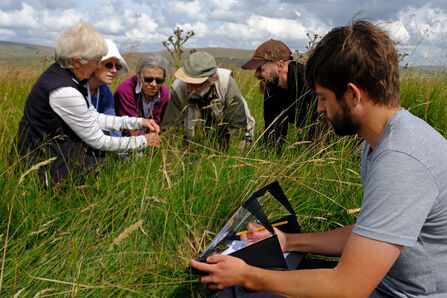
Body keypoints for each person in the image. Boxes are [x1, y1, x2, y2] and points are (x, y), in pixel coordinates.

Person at [190, 20, 447, 297]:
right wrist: (288, 241)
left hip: (399, 293)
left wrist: (249, 276)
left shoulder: (401, 160)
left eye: (323, 98)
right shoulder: (382, 141)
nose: (320, 109)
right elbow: (370, 233)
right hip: (382, 282)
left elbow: (347, 288)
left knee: (241, 289)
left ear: (352, 94)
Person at [15, 21, 160, 185]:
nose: (98, 66)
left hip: (50, 151)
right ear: (78, 61)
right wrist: (144, 141)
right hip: (42, 164)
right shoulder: (66, 92)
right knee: (106, 167)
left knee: (106, 163)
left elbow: (94, 117)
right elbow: (98, 140)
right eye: (97, 61)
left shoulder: (63, 76)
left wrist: (138, 122)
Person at [161, 51, 255, 149]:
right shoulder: (178, 89)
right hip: (192, 145)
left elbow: (237, 126)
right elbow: (170, 130)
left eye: (195, 84)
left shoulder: (226, 84)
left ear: (213, 80)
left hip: (225, 141)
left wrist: (231, 159)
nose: (188, 87)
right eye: (187, 81)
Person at [242, 40, 320, 150]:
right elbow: (272, 136)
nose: (256, 74)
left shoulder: (310, 84)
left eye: (260, 69)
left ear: (280, 65)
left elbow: (320, 133)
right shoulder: (272, 87)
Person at [114, 53, 169, 136]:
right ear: (138, 75)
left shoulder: (164, 93)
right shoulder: (125, 90)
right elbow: (129, 129)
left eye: (159, 80)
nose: (154, 84)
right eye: (148, 79)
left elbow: (161, 124)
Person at [86, 39, 129, 137]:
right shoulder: (76, 88)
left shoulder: (105, 91)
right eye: (109, 65)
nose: (114, 70)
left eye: (117, 66)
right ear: (95, 64)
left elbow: (113, 124)